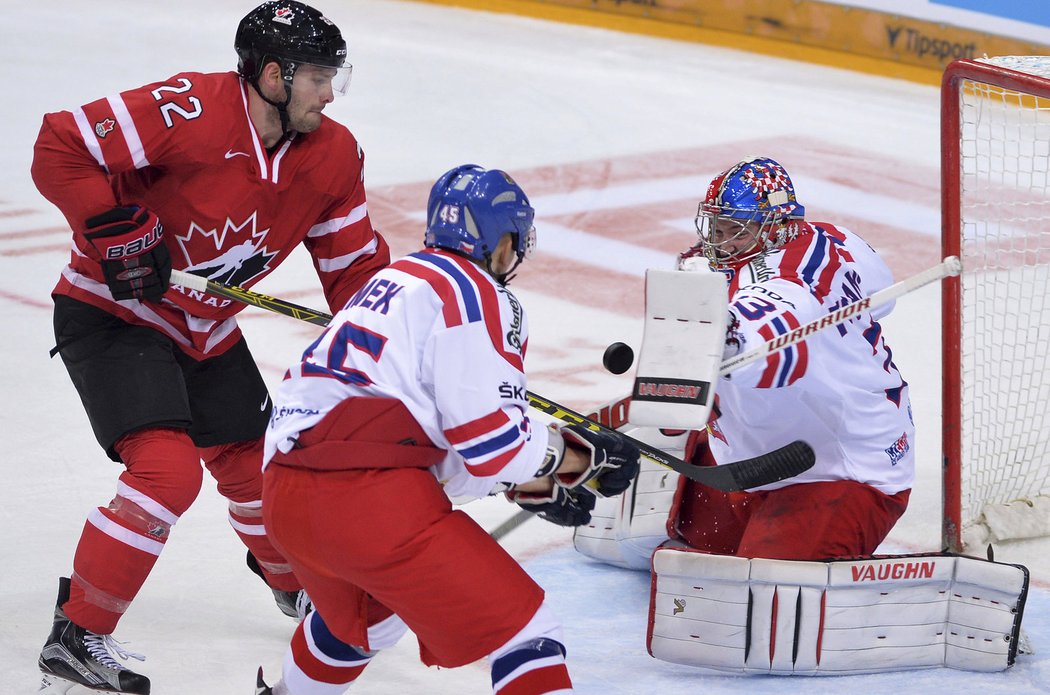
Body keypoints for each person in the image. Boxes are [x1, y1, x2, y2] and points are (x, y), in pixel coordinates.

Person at [32, 3, 390, 693]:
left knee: (264, 472)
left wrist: (394, 332)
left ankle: (296, 587)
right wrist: (108, 224)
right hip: (114, 314)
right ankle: (76, 633)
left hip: (207, 328)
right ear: (273, 75)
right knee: (168, 472)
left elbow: (352, 271)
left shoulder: (334, 155)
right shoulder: (190, 108)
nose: (329, 91)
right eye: (317, 75)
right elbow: (61, 144)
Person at [255, 164, 641, 694]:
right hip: (365, 499)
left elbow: (447, 455)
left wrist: (523, 480)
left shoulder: (393, 280)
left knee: (368, 620)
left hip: (285, 494)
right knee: (526, 631)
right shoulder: (474, 290)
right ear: (501, 241)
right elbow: (495, 444)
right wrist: (575, 457)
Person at [666, 155, 914, 560]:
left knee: (766, 589)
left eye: (737, 230)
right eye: (717, 225)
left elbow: (769, 345)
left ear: (777, 228)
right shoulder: (836, 237)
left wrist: (725, 340)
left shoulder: (787, 288)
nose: (719, 240)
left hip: (837, 471)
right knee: (696, 552)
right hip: (764, 452)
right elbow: (883, 293)